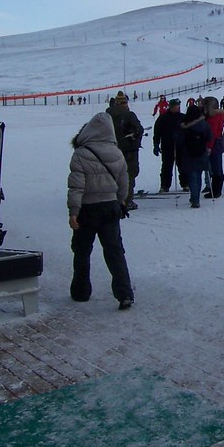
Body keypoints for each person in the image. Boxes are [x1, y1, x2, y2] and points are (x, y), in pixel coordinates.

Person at [67, 112, 134, 310]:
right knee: (115, 252)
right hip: (110, 209)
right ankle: (124, 294)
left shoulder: (81, 153)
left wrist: (73, 211)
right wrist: (120, 202)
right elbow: (124, 183)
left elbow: (76, 187)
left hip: (86, 211)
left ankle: (81, 291)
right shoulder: (117, 153)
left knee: (81, 251)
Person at [106, 91, 144, 209]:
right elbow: (139, 130)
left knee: (112, 174)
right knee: (129, 174)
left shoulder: (107, 115)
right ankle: (127, 201)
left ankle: (111, 199)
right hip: (129, 150)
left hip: (110, 149)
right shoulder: (129, 115)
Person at [178, 104, 212, 208]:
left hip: (188, 152)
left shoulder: (184, 125)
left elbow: (178, 139)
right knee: (198, 174)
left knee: (192, 175)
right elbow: (210, 137)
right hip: (201, 152)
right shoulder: (204, 124)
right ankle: (196, 197)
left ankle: (195, 198)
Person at [152, 98, 182, 193]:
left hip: (181, 146)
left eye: (178, 106)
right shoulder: (163, 118)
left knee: (183, 166)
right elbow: (157, 132)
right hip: (167, 146)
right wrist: (156, 144)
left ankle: (186, 184)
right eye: (176, 106)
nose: (178, 108)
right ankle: (165, 185)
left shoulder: (183, 117)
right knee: (166, 167)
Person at [202, 96, 224, 199]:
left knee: (215, 168)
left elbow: (212, 134)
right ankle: (216, 190)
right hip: (217, 144)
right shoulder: (217, 115)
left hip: (214, 145)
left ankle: (216, 191)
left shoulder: (213, 118)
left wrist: (208, 147)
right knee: (217, 167)